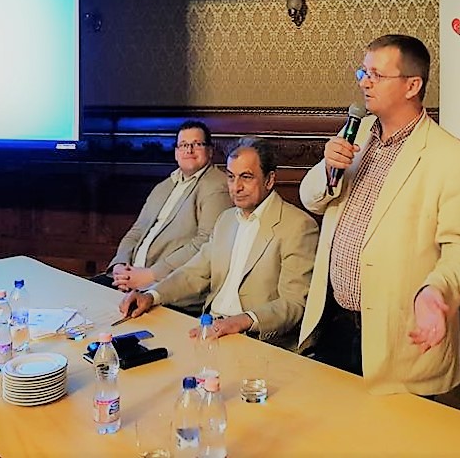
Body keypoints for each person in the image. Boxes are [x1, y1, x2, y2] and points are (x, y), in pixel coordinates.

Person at [298, 34, 460, 396]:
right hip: (334, 322)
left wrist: (437, 291)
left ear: (412, 86)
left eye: (377, 75)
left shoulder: (454, 160)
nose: (364, 83)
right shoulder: (356, 132)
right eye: (363, 72)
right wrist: (327, 166)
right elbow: (312, 200)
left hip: (397, 336)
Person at [118, 137, 319, 350]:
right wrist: (151, 295)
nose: (236, 187)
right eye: (231, 177)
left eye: (246, 177)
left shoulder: (298, 225)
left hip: (258, 340)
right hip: (209, 328)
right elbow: (194, 272)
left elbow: (294, 303)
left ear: (269, 180)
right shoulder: (226, 219)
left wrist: (241, 321)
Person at [98, 120, 232, 312]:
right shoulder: (165, 186)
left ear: (210, 151)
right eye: (183, 145)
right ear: (176, 152)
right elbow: (137, 230)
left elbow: (205, 243)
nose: (189, 150)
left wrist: (151, 275)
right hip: (129, 280)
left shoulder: (217, 186)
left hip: (165, 289)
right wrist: (120, 265)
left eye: (197, 144)